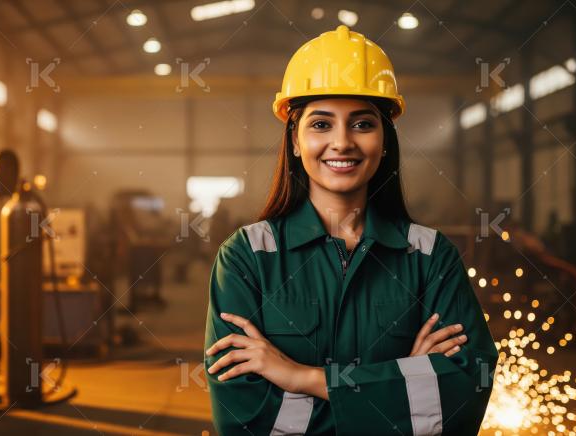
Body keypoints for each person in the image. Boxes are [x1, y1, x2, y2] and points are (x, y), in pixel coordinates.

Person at [204, 26, 498, 435]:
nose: (342, 143)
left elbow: (464, 395)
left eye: (362, 124)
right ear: (294, 140)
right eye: (321, 125)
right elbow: (244, 420)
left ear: (384, 140)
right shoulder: (247, 257)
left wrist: (300, 378)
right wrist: (405, 382)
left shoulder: (431, 256)